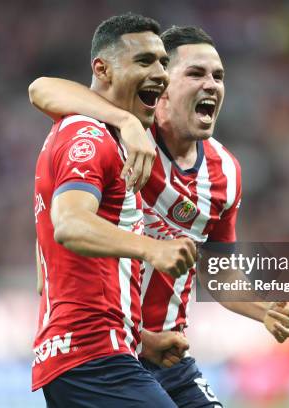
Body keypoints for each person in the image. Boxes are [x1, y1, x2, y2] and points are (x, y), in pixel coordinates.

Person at [30, 25, 289, 407]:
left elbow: (219, 269)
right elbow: (42, 89)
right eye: (195, 74)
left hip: (166, 353)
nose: (211, 85)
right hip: (103, 346)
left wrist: (263, 309)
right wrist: (124, 123)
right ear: (162, 89)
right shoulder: (120, 133)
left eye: (218, 76)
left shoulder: (225, 172)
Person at [31, 14, 198, 407]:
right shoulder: (88, 135)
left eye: (162, 62)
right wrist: (150, 248)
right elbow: (69, 225)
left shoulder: (108, 136)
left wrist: (140, 337)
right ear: (102, 69)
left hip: (97, 354)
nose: (160, 73)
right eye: (144, 61)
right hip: (92, 360)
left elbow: (50, 279)